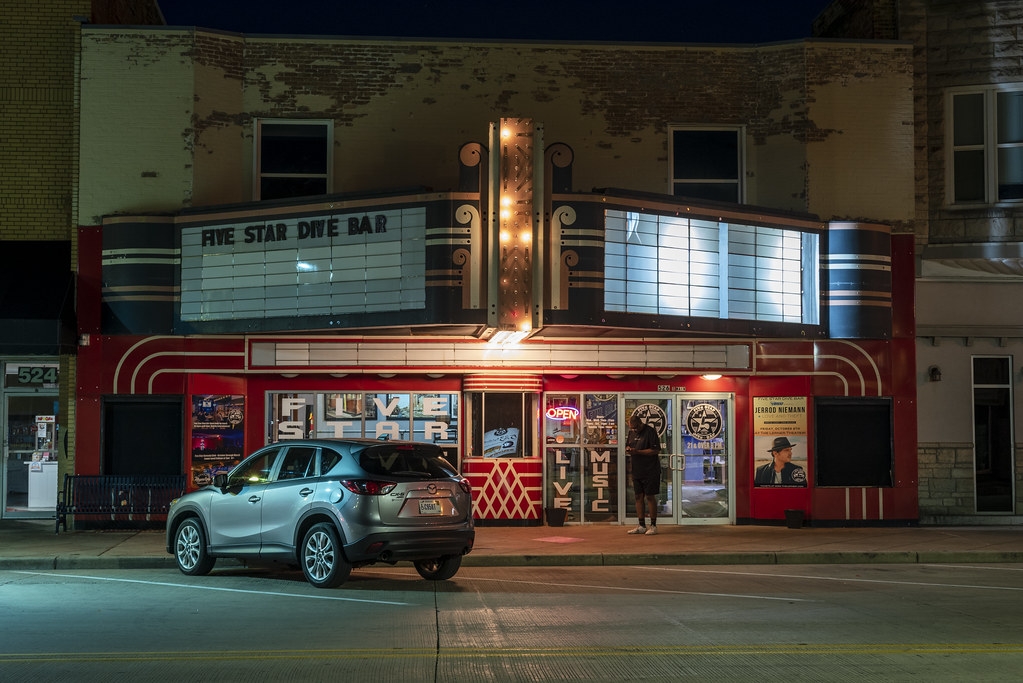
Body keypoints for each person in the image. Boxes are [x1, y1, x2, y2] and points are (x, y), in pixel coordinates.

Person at [625, 414, 662, 535]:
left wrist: (638, 451)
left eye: (635, 428)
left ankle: (653, 525)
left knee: (650, 496)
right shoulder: (631, 433)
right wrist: (629, 449)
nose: (634, 430)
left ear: (640, 423)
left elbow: (655, 450)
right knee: (638, 497)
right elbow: (629, 445)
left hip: (651, 470)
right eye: (632, 428)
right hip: (637, 469)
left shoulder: (650, 431)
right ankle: (641, 525)